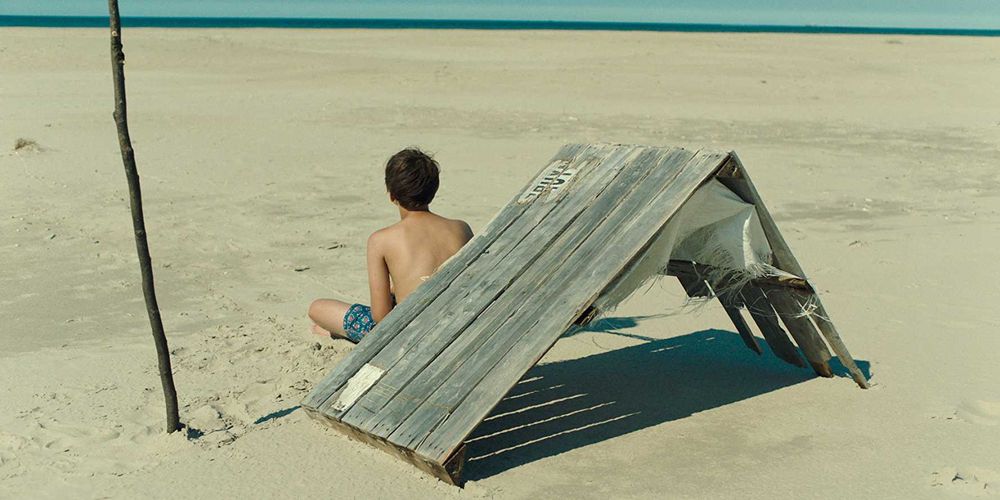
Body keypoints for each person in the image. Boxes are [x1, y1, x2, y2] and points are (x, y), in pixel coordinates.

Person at [308, 148, 473, 343]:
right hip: (458, 320)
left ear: (392, 195)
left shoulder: (381, 240)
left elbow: (382, 317)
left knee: (317, 308)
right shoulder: (461, 228)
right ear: (433, 190)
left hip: (411, 334)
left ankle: (336, 332)